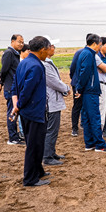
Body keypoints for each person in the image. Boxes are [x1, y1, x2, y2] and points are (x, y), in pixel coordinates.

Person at [11, 36, 52, 186]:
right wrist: (19, 104)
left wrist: (17, 106)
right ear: (42, 50)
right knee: (34, 145)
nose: (48, 52)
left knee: (36, 142)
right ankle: (30, 178)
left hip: (27, 111)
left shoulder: (25, 62)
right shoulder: (36, 66)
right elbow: (27, 90)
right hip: (34, 111)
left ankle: (38, 171)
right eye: (47, 49)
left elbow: (15, 84)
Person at [75, 34, 106, 152]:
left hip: (86, 90)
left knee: (86, 117)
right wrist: (80, 88)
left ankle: (89, 143)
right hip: (90, 90)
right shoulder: (89, 54)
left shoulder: (84, 53)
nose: (99, 48)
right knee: (95, 117)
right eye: (100, 45)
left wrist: (80, 88)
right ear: (95, 44)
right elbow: (84, 72)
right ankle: (100, 145)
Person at [42, 37, 69, 166]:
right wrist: (66, 88)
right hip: (51, 101)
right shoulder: (45, 64)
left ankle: (51, 152)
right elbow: (54, 82)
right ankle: (47, 156)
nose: (54, 49)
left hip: (53, 99)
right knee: (51, 129)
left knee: (53, 129)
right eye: (53, 46)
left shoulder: (48, 62)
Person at [0, 34, 24, 145]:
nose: (21, 44)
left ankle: (15, 135)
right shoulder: (9, 53)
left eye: (22, 42)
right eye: (19, 42)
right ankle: (12, 138)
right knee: (12, 112)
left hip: (15, 87)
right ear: (12, 41)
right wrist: (1, 82)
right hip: (10, 88)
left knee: (15, 111)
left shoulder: (15, 54)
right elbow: (4, 70)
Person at [69, 43, 86, 137]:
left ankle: (83, 124)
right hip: (77, 83)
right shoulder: (79, 52)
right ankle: (74, 128)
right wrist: (74, 78)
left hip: (85, 84)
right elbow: (72, 67)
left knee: (84, 105)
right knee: (77, 105)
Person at [94, 38, 106, 133]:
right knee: (100, 109)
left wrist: (104, 68)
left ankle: (104, 129)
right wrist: (103, 68)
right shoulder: (96, 56)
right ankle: (100, 133)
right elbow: (105, 69)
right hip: (99, 84)